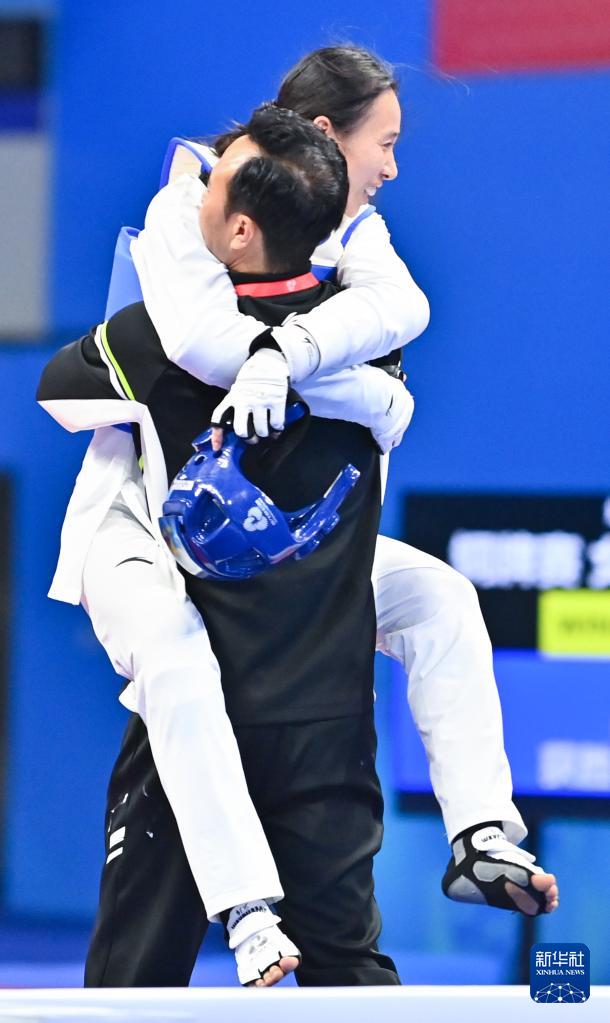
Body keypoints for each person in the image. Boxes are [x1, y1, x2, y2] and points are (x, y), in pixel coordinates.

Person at [132, 45, 559, 918]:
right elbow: (206, 347)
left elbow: (403, 307)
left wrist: (289, 355)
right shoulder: (191, 200)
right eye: (386, 144)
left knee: (439, 599)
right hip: (162, 532)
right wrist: (367, 394)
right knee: (177, 688)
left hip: (290, 542)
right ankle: (246, 909)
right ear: (327, 135)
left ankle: (480, 834)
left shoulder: (354, 226)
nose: (394, 168)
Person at [40, 103, 405, 986]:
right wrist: (328, 383)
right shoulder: (374, 350)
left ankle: (252, 906)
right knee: (351, 979)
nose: (197, 183)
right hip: (311, 712)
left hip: (231, 720)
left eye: (215, 180)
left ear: (240, 231)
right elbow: (395, 397)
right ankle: (480, 826)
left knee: (132, 989)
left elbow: (57, 388)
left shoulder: (155, 341)